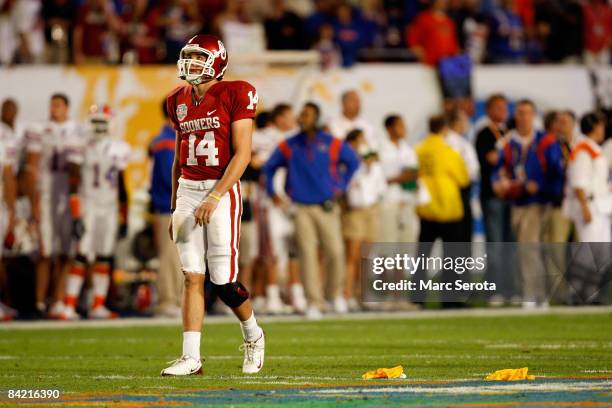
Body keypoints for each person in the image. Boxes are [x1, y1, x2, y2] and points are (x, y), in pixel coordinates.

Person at [162, 34, 265, 376]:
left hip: (222, 188)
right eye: (188, 57)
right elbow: (179, 156)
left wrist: (217, 195)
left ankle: (253, 335)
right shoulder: (176, 99)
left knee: (223, 280)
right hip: (189, 188)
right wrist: (175, 202)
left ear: (217, 62)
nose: (190, 64)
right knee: (192, 276)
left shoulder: (237, 92)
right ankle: (191, 357)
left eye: (198, 57)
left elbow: (243, 154)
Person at [263, 102, 359, 319]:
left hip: (327, 205)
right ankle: (314, 302)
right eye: (301, 114)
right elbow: (269, 168)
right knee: (307, 254)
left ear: (316, 117)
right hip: (301, 207)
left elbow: (353, 161)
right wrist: (273, 193)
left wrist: (340, 186)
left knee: (335, 251)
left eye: (306, 114)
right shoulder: (289, 144)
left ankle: (335, 295)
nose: (301, 118)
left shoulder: (332, 143)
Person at [60, 104, 130, 320]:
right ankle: (69, 306)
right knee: (81, 255)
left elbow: (121, 186)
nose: (99, 126)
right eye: (96, 121)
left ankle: (97, 305)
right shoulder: (81, 146)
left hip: (108, 207)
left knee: (104, 255)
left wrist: (123, 216)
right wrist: (75, 213)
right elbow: (73, 181)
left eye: (103, 122)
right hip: (88, 204)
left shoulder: (119, 148)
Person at [25, 93, 85, 319]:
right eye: (52, 105)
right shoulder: (41, 130)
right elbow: (31, 166)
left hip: (66, 199)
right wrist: (35, 201)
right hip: (47, 195)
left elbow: (78, 171)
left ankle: (58, 300)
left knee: (65, 252)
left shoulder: (77, 130)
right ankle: (40, 302)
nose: (54, 109)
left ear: (67, 108)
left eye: (58, 105)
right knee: (45, 252)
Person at [493, 99, 548, 309]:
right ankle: (534, 293)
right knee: (526, 249)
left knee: (532, 248)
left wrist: (540, 185)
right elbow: (499, 170)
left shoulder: (545, 141)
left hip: (541, 201)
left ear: (533, 115)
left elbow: (555, 172)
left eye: (526, 113)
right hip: (518, 202)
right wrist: (499, 183)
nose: (522, 117)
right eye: (519, 113)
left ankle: (534, 294)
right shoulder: (508, 143)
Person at [412, 114, 469, 306]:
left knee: (422, 255)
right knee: (452, 256)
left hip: (426, 208)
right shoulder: (448, 152)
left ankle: (417, 298)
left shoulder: (418, 149)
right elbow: (463, 178)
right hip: (447, 208)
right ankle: (450, 299)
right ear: (445, 129)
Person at [475, 94, 514, 305]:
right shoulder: (484, 133)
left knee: (510, 244)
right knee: (495, 244)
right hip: (493, 195)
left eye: (504, 107)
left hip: (511, 195)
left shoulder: (509, 133)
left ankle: (509, 288)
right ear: (489, 110)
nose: (503, 111)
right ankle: (494, 290)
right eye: (498, 107)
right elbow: (491, 158)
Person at [342, 129, 386, 311]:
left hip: (371, 209)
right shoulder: (346, 161)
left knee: (367, 255)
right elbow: (344, 183)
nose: (364, 143)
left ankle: (364, 294)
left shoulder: (372, 161)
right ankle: (347, 295)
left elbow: (380, 184)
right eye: (360, 140)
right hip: (355, 210)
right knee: (352, 254)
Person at [149, 99, 183, 318]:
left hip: (176, 206)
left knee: (179, 257)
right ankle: (167, 300)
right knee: (169, 256)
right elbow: (169, 176)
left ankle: (177, 299)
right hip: (169, 207)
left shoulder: (172, 139)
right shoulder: (165, 142)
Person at [565, 112, 611, 242]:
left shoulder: (594, 148)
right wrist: (585, 208)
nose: (604, 130)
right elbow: (578, 181)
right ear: (595, 127)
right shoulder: (583, 149)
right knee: (592, 254)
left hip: (600, 207)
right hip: (589, 206)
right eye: (601, 126)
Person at [378, 115, 420, 243]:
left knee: (407, 241)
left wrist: (406, 177)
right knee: (388, 242)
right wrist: (400, 178)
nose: (404, 129)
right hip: (388, 200)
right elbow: (379, 177)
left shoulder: (407, 149)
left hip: (406, 199)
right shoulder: (381, 148)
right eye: (400, 126)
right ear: (389, 128)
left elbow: (414, 172)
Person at [445, 108, 479, 241]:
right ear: (456, 122)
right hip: (456, 192)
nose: (466, 123)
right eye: (464, 120)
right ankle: (458, 261)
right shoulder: (449, 142)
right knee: (458, 235)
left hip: (463, 191)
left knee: (463, 235)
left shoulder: (462, 141)